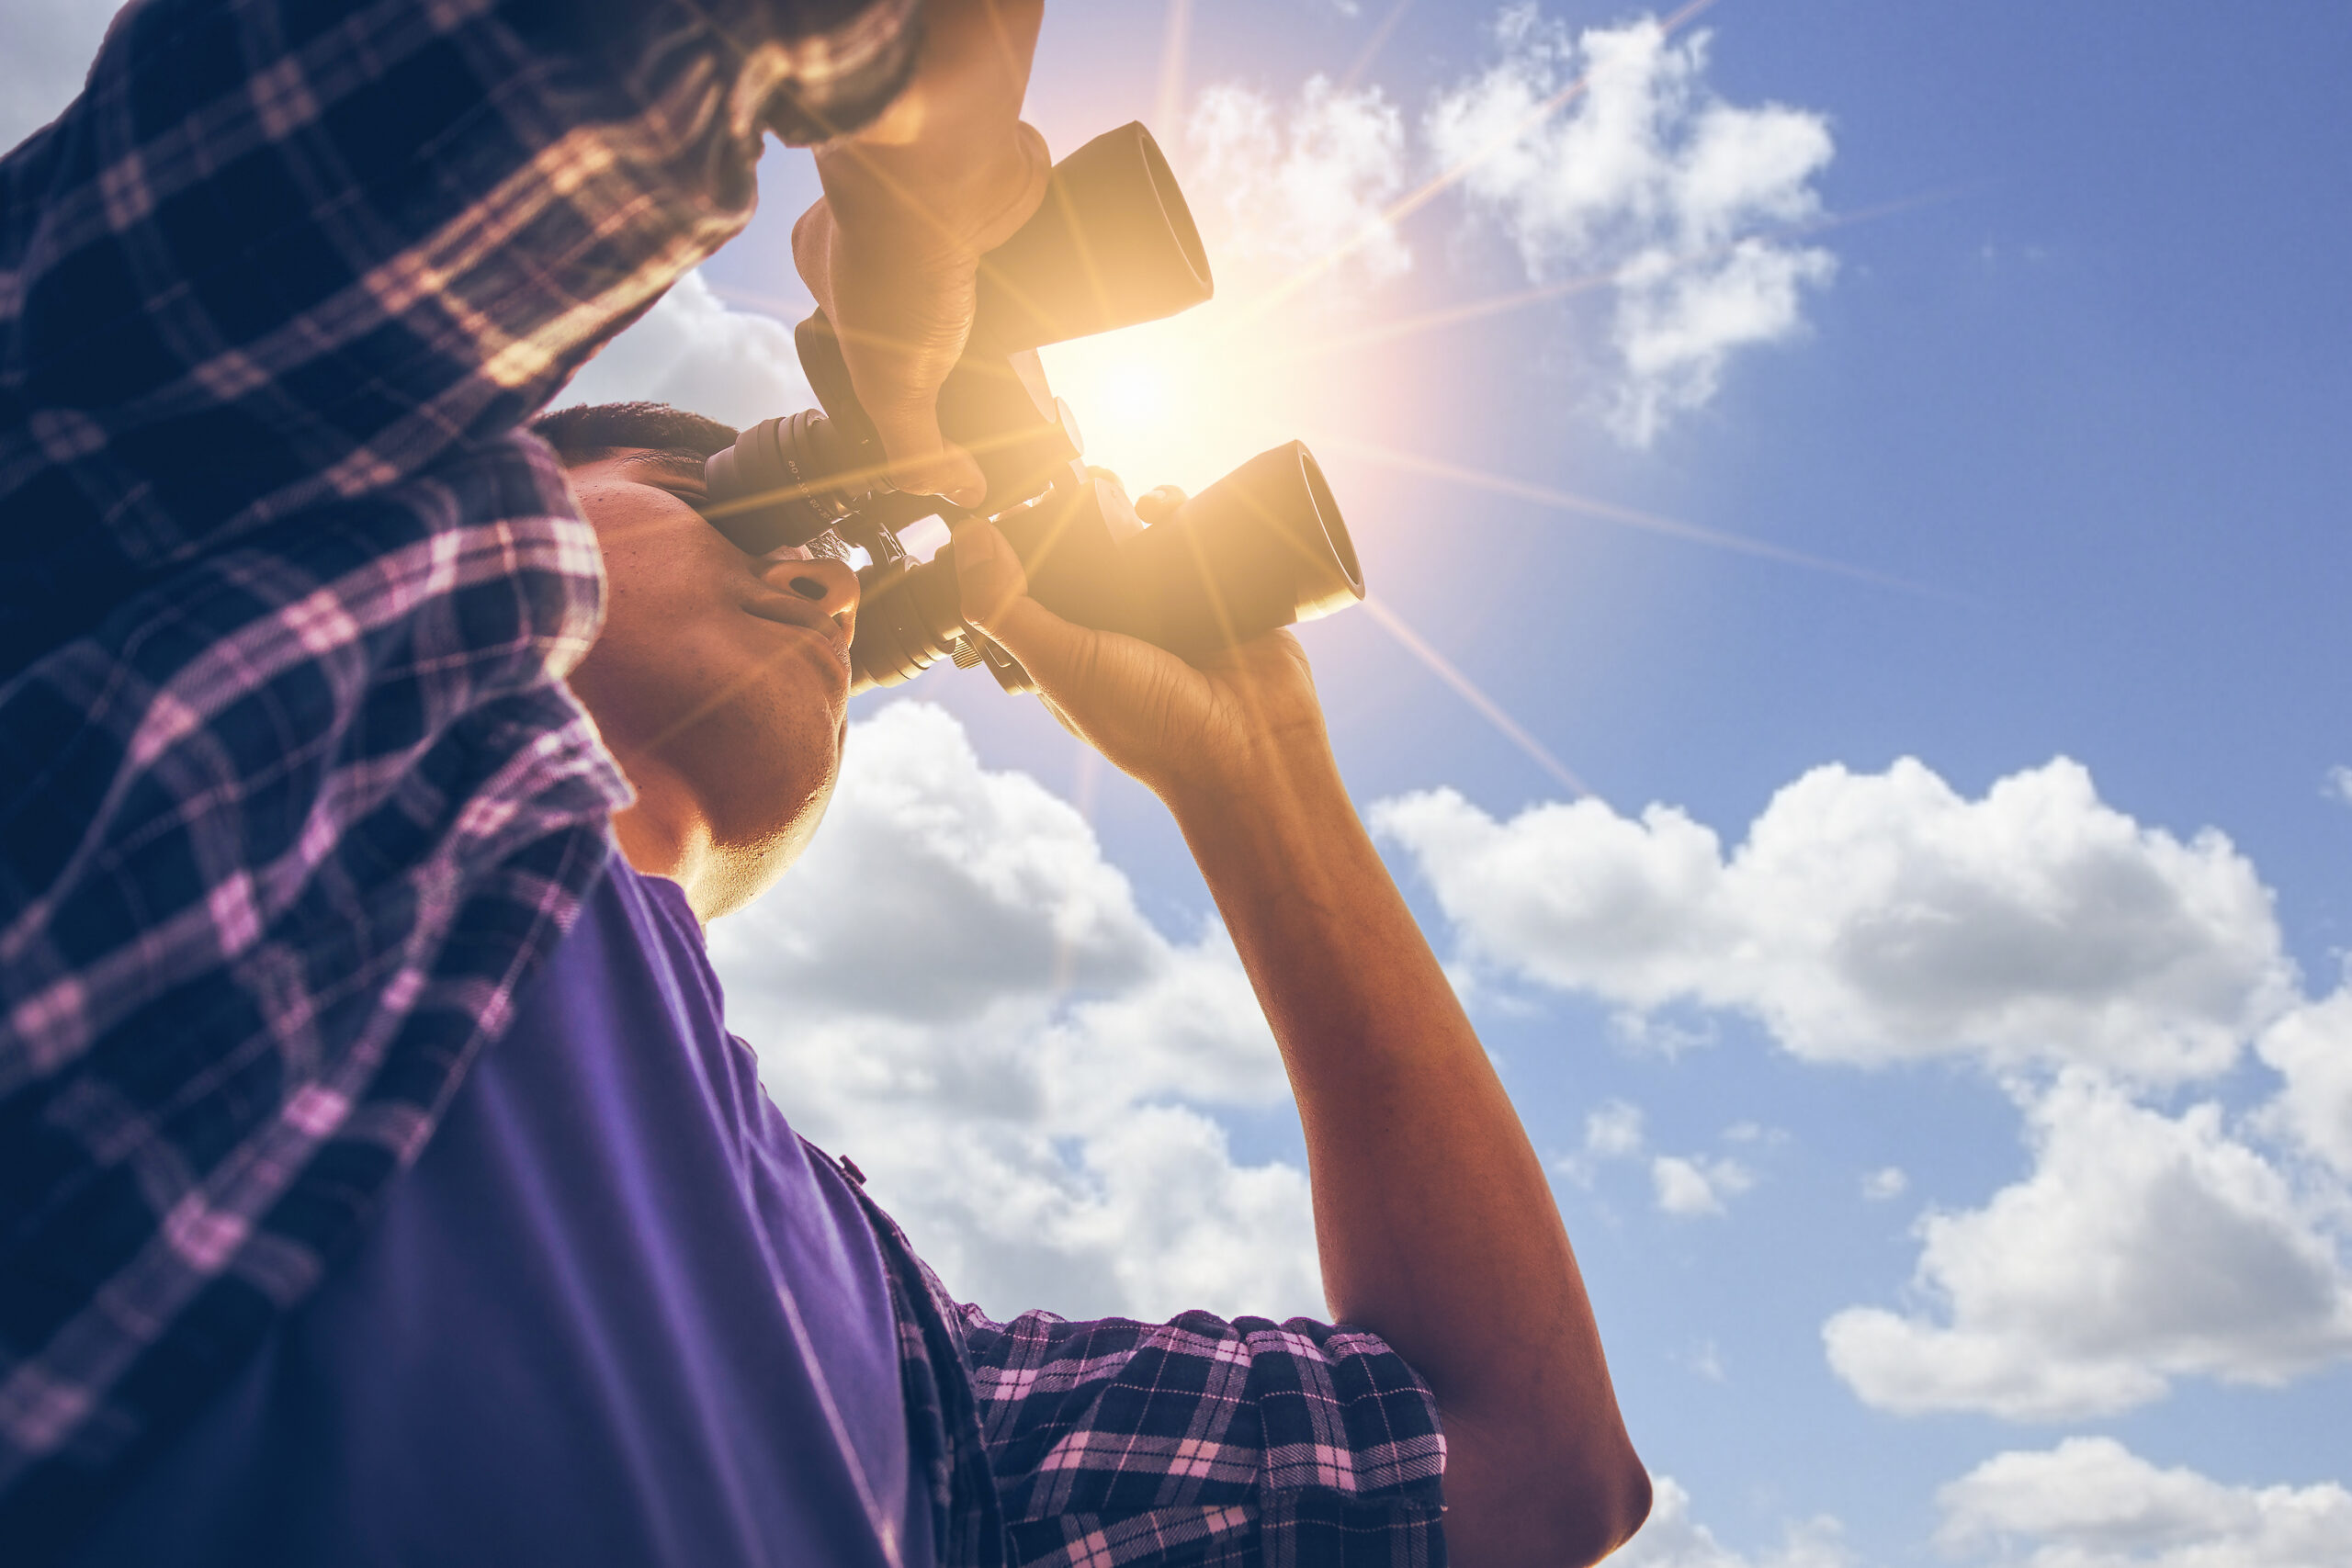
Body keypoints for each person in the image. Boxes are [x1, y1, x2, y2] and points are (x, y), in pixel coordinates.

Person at [0, 2, 1650, 1565]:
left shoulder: (916, 1374)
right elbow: (412, 99)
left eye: (873, 618)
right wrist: (917, 211)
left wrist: (1253, 770)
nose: (838, 584)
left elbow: (1519, 1467)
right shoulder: (232, 592)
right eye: (705, 486)